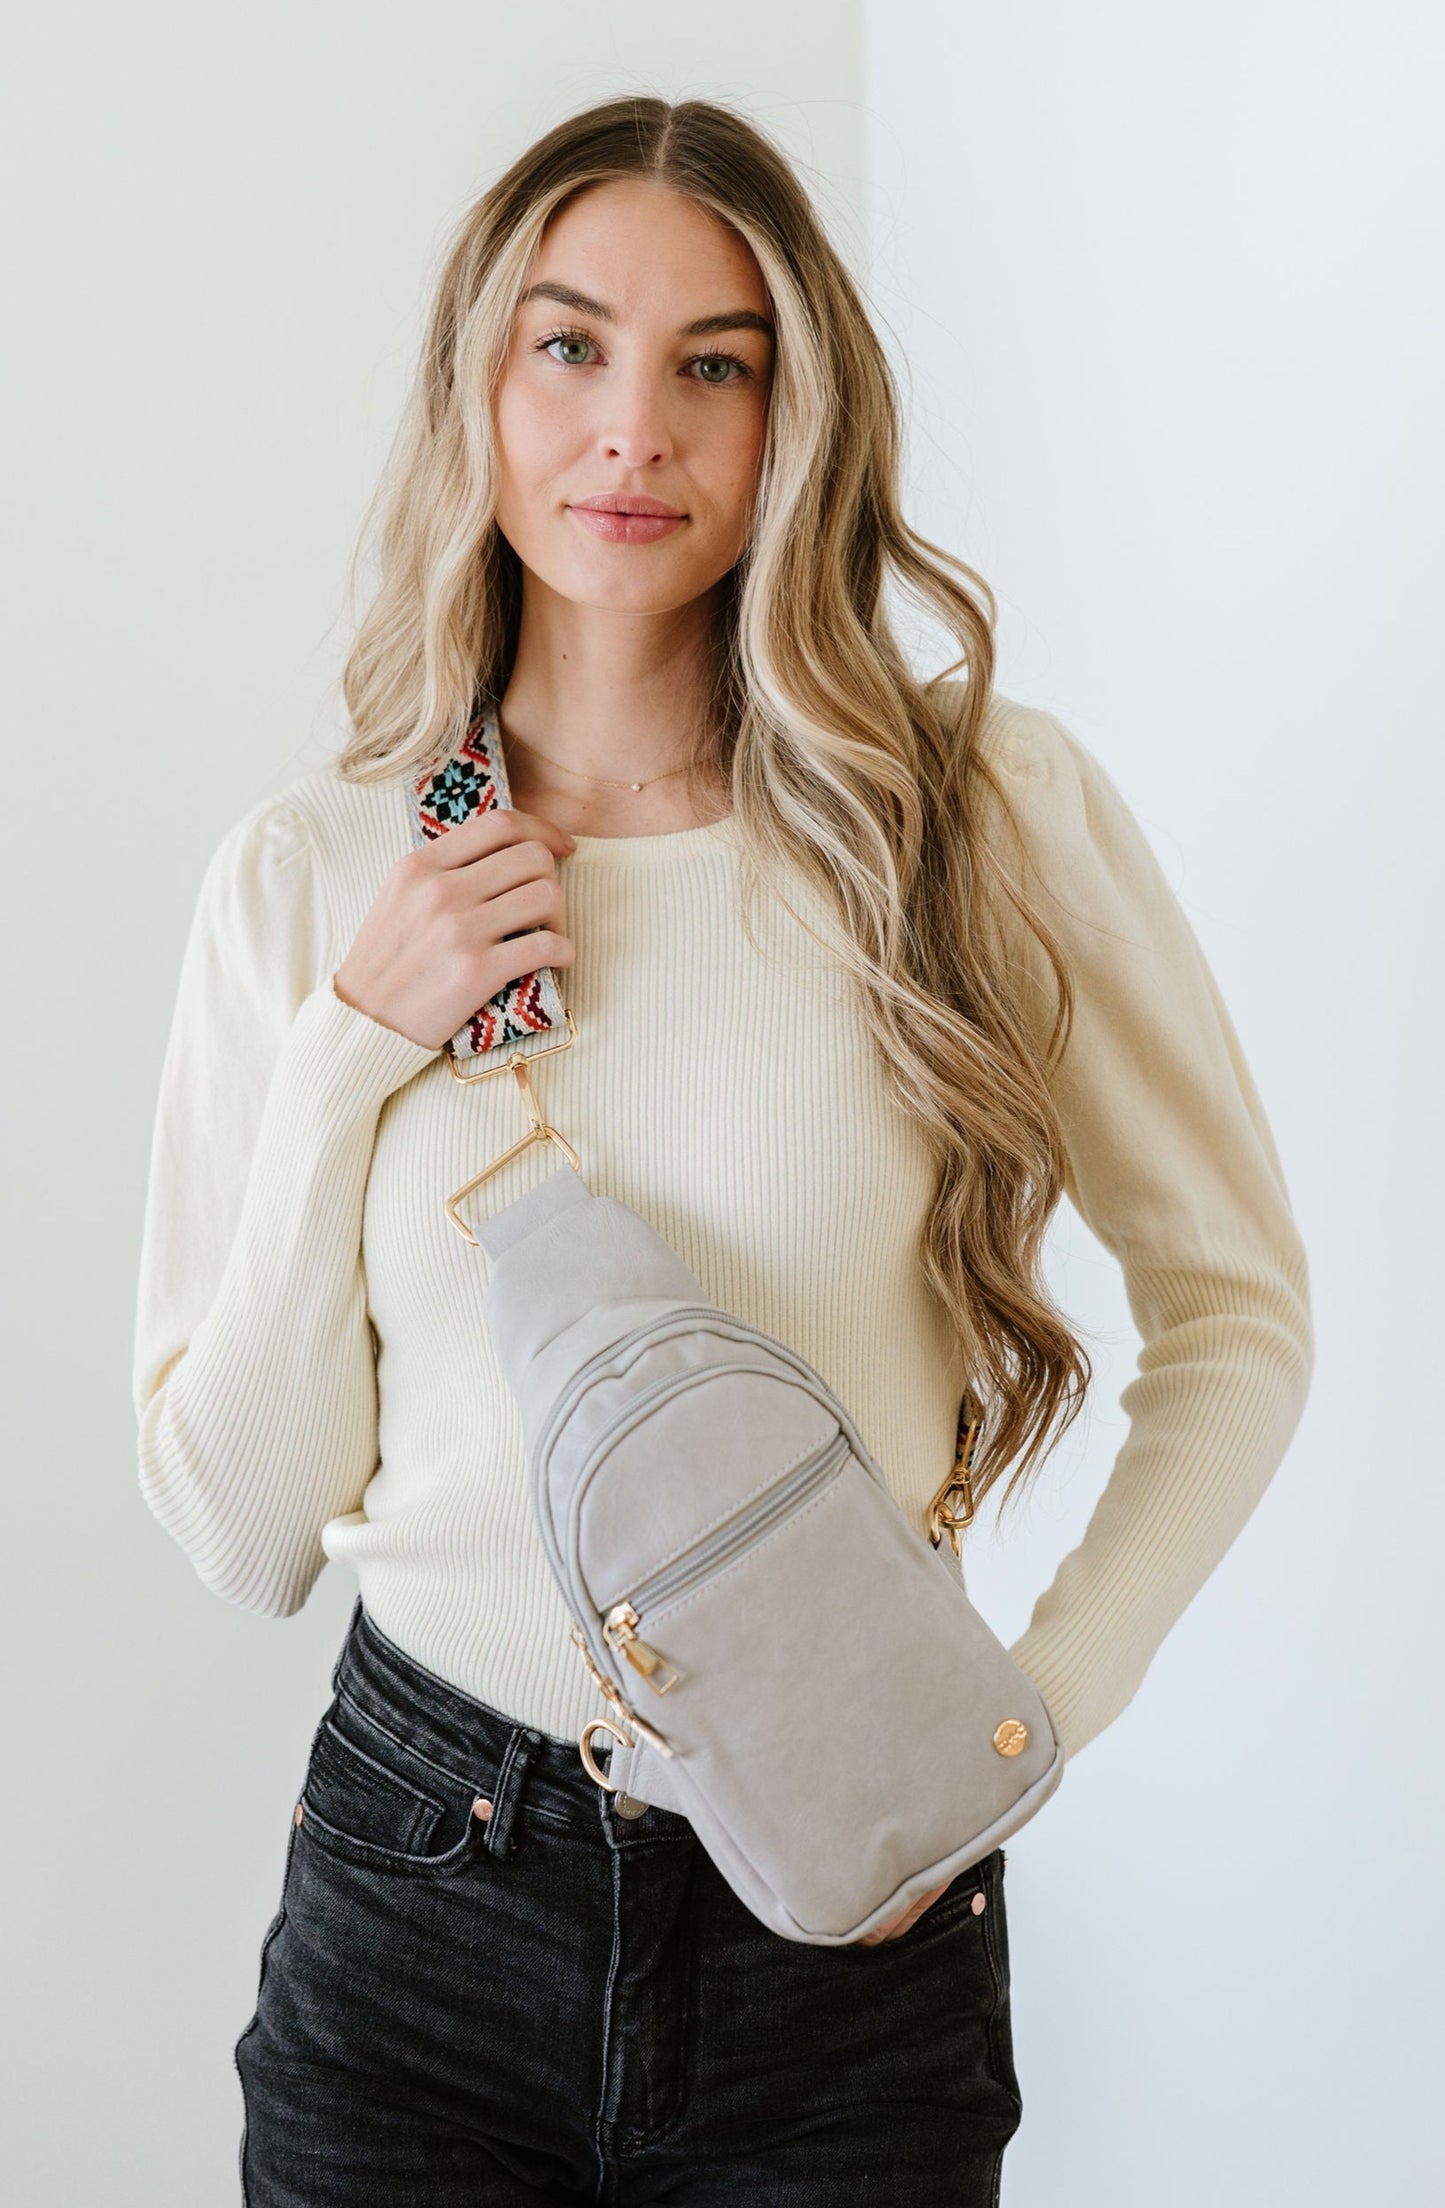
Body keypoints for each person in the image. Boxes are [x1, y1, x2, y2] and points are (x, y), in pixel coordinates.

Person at [132, 93, 1313, 2206]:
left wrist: (1023, 1716)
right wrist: (347, 1052)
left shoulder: (971, 819)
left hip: (847, 1935)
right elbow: (243, 1537)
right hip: (423, 1906)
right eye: (570, 346)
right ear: (480, 385)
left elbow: (1238, 1320)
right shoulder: (316, 879)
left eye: (715, 364)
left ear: (797, 420)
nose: (633, 431)